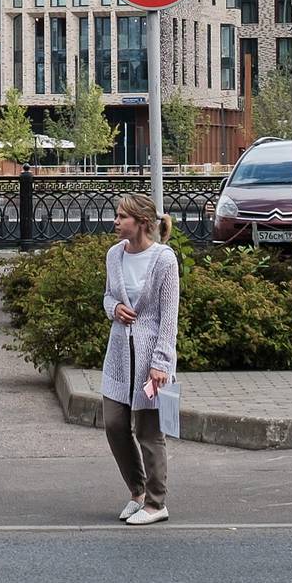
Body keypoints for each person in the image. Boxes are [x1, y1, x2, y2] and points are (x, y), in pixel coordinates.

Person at [100, 192, 180, 525]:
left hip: (151, 360)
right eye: (116, 216)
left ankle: (156, 502)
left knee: (149, 433)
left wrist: (161, 363)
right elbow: (107, 296)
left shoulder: (164, 259)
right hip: (119, 355)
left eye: (122, 217)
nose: (116, 222)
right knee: (114, 424)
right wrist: (113, 309)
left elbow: (169, 315)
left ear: (141, 222)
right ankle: (137, 492)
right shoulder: (114, 255)